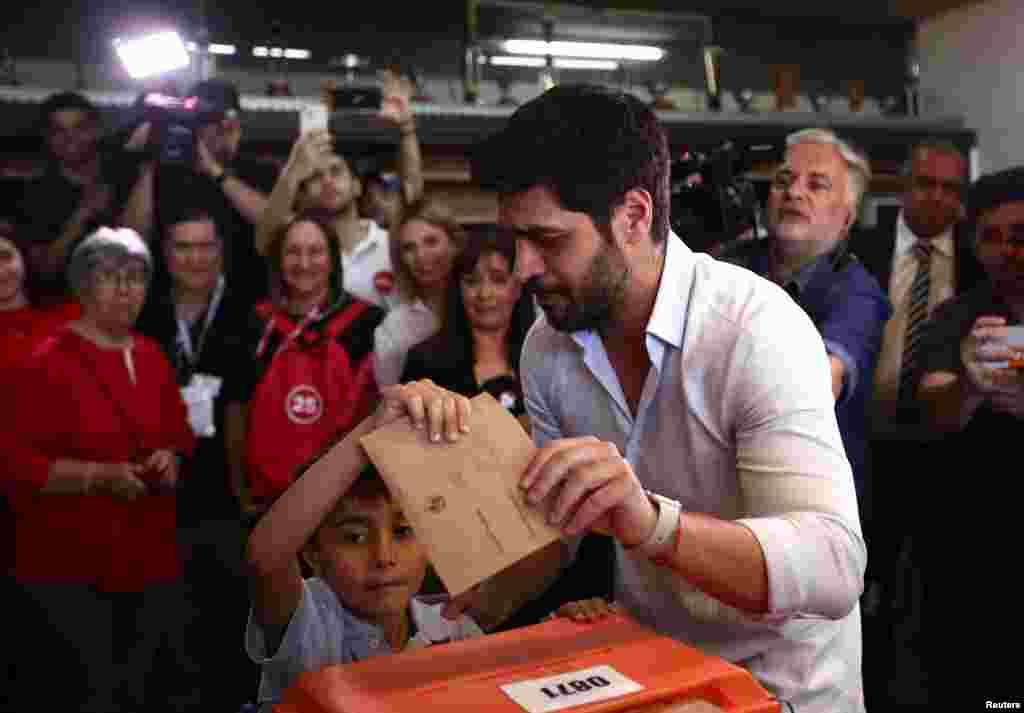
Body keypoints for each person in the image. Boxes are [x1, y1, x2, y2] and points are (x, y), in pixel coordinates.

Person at [467, 84, 865, 712]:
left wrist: (651, 524)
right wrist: (438, 605)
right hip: (649, 681)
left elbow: (835, 565)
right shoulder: (548, 345)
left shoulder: (755, 329)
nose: (521, 268)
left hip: (783, 694)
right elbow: (555, 540)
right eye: (515, 238)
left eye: (546, 240)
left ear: (633, 215)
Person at [2, 226, 197, 713]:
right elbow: (16, 465)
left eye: (135, 277)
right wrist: (97, 477)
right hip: (69, 567)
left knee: (143, 690)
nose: (127, 289)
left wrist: (169, 458)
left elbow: (178, 436)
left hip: (148, 559)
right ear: (83, 286)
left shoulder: (151, 356)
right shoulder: (42, 361)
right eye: (111, 276)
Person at [244, 380, 484, 709]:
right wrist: (370, 432)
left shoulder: (451, 626)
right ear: (312, 552)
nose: (383, 557)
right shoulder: (310, 621)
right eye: (354, 537)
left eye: (402, 532)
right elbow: (266, 557)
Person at [718, 128, 892, 507]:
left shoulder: (857, 293)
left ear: (846, 218)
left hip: (807, 502)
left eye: (817, 185)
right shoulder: (725, 266)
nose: (795, 192)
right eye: (784, 180)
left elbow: (819, 384)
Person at [134, 204, 259, 710]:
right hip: (156, 487)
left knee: (227, 613)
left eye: (205, 246)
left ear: (221, 252)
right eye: (183, 246)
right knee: (165, 617)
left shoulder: (245, 310)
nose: (195, 258)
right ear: (165, 255)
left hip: (225, 489)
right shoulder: (144, 310)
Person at [912, 167, 1024, 704]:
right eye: (993, 238)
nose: (1007, 251)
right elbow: (934, 409)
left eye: (1020, 235)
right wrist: (973, 387)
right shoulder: (955, 318)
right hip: (974, 545)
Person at [224, 215, 385, 516]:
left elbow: (377, 411)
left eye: (315, 251)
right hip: (268, 499)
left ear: (332, 259)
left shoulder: (368, 323)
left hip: (340, 497)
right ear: (278, 258)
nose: (304, 262)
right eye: (293, 251)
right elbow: (236, 410)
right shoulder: (254, 323)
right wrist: (240, 489)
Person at [255, 70, 424, 308]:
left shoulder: (389, 243)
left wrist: (406, 129)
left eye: (336, 171)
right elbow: (264, 240)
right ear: (304, 193)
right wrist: (294, 169)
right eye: (314, 176)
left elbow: (414, 196)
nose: (326, 181)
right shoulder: (306, 253)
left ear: (357, 186)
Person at [120, 79, 278, 304]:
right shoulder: (166, 172)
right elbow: (130, 239)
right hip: (166, 302)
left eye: (224, 122)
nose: (216, 131)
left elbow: (276, 225)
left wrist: (216, 169)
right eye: (207, 122)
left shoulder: (257, 172)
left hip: (243, 300)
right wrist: (150, 159)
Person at [18, 91, 149, 305]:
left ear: (97, 130)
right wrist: (83, 214)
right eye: (59, 131)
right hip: (64, 312)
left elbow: (142, 246)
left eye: (80, 128)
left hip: (127, 307)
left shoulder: (123, 175)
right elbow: (41, 271)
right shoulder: (34, 194)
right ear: (47, 136)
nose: (70, 138)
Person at [400, 226, 535, 425]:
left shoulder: (543, 357)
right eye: (472, 282)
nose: (484, 294)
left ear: (518, 288)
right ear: (458, 289)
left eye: (498, 280)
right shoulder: (424, 361)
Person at [373, 198, 465, 387]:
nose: (421, 256)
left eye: (431, 242)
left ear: (454, 244)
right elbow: (389, 398)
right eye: (409, 248)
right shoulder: (394, 328)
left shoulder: (483, 305)